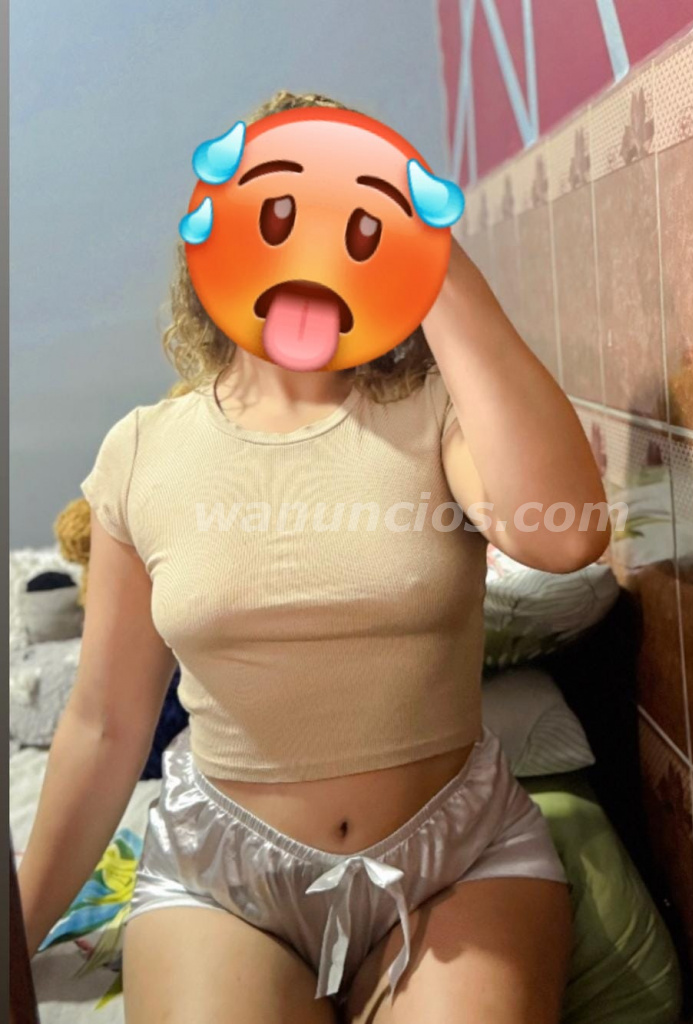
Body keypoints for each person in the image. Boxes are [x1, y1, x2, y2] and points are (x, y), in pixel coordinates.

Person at [19, 90, 610, 1024]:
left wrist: (436, 260)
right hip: (222, 880)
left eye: (358, 215)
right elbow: (103, 722)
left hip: (458, 861)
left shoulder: (439, 415)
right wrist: (15, 934)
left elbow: (564, 536)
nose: (313, 244)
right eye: (281, 211)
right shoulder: (140, 452)